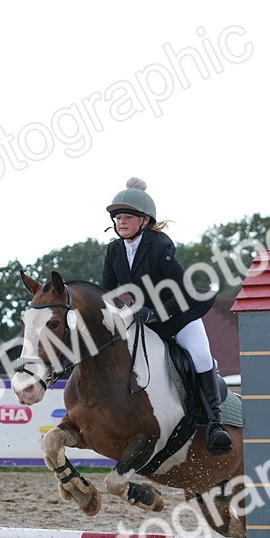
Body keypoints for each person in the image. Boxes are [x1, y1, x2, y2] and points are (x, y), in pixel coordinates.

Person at [100, 177, 231, 455]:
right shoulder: (113, 250)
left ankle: (215, 424)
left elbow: (181, 289)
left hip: (179, 312)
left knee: (200, 357)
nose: (120, 222)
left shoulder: (159, 245)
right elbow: (108, 292)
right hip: (143, 317)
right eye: (117, 217)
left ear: (145, 220)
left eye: (127, 217)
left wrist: (154, 314)